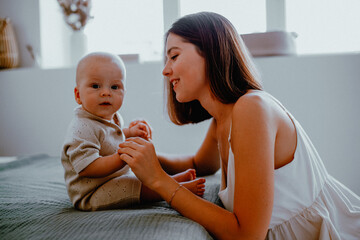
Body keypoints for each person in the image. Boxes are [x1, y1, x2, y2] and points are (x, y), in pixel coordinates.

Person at [118, 12, 360, 239]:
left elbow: (246, 235)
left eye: (174, 56)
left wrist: (159, 181)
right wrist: (138, 155)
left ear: (211, 52)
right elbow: (199, 164)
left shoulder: (251, 108)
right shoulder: (223, 117)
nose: (165, 70)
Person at [61, 52, 206, 211]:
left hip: (114, 177)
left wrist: (130, 132)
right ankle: (175, 190)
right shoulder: (82, 128)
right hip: (92, 193)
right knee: (129, 185)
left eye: (115, 87)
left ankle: (172, 182)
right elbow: (87, 168)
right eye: (95, 86)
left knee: (139, 176)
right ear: (78, 95)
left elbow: (109, 137)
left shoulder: (112, 117)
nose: (106, 92)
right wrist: (122, 158)